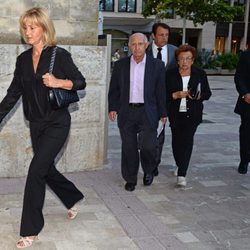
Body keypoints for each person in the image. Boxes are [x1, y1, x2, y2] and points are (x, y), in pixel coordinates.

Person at [0, 7, 86, 248]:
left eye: (33, 27)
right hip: (36, 124)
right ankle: (72, 197)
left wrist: (59, 82)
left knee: (35, 171)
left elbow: (80, 82)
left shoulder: (59, 55)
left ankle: (30, 230)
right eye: (25, 27)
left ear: (44, 29)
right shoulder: (23, 60)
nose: (28, 32)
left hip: (57, 122)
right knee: (45, 169)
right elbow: (12, 94)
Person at [108, 33, 167, 192]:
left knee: (148, 146)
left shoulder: (157, 66)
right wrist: (113, 107)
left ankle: (149, 170)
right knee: (129, 147)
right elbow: (114, 90)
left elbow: (161, 92)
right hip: (127, 112)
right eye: (133, 44)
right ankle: (130, 178)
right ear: (129, 46)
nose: (137, 47)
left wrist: (163, 113)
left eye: (140, 44)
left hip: (148, 112)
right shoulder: (121, 65)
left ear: (147, 45)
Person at [166, 45, 211, 187]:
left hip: (193, 114)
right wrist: (175, 95)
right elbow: (163, 94)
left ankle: (182, 174)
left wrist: (198, 96)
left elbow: (207, 93)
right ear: (177, 61)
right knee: (176, 142)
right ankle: (180, 164)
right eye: (181, 59)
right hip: (175, 113)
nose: (185, 62)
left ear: (192, 60)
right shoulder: (170, 74)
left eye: (188, 59)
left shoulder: (200, 73)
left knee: (187, 141)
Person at [147, 22, 177, 176]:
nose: (164, 38)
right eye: (161, 35)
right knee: (155, 133)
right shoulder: (143, 50)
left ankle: (157, 163)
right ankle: (153, 164)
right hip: (151, 100)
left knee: (166, 132)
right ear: (153, 35)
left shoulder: (175, 51)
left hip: (171, 99)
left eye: (166, 35)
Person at [234, 49, 250, 174]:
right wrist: (245, 93)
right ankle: (244, 160)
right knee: (246, 133)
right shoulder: (246, 55)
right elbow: (239, 77)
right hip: (248, 102)